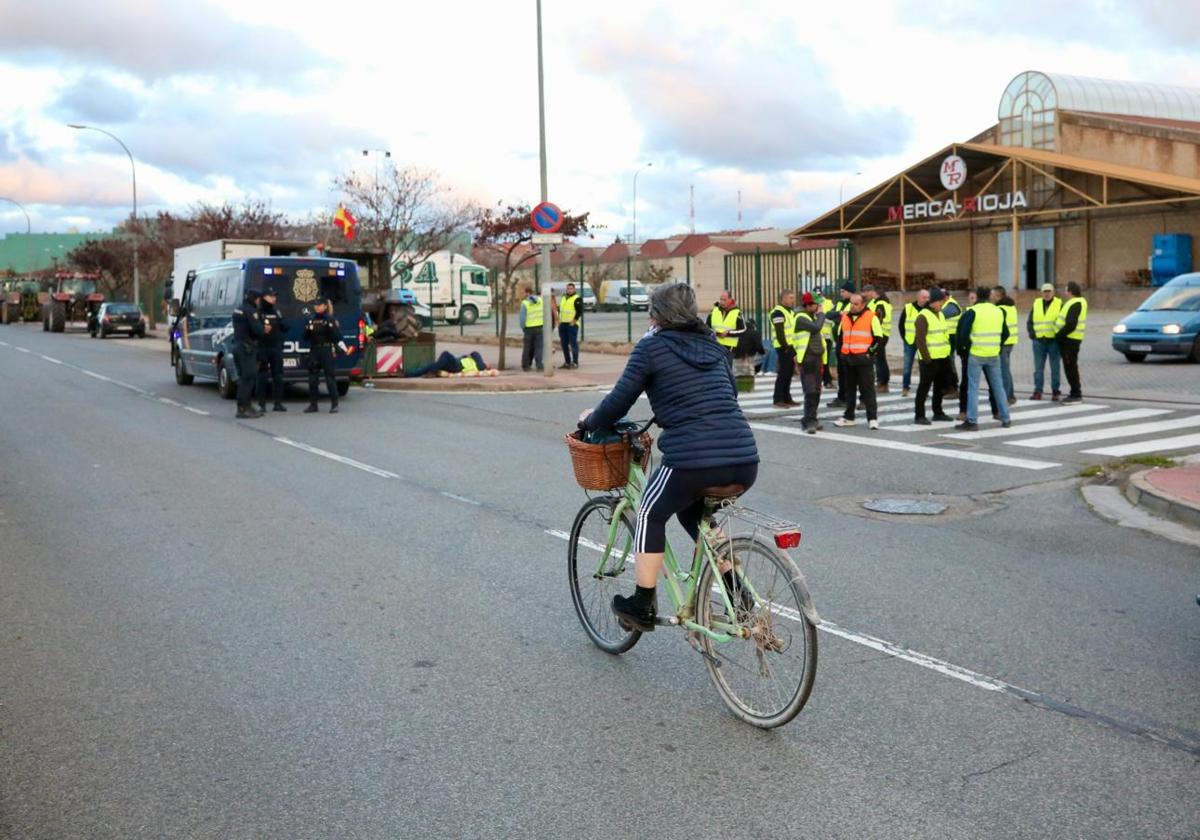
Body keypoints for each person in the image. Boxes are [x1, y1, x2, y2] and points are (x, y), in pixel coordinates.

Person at [577, 283, 758, 632]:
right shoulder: (714, 346)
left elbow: (618, 401)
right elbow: (728, 394)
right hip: (744, 459)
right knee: (696, 518)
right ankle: (738, 593)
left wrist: (590, 421)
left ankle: (642, 604)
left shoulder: (651, 348)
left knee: (649, 511)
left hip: (692, 461)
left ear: (656, 315)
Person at [956, 286, 1011, 431]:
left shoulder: (972, 311)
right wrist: (997, 346)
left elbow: (962, 334)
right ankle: (1006, 418)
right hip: (993, 354)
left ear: (977, 296)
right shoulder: (998, 311)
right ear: (989, 296)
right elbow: (1006, 333)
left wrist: (966, 348)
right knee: (998, 386)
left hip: (977, 354)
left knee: (973, 387)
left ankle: (972, 421)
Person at [833, 293, 882, 429]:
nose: (853, 306)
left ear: (863, 304)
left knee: (868, 390)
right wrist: (842, 354)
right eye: (851, 303)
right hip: (848, 359)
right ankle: (849, 416)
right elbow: (840, 336)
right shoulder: (845, 317)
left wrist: (870, 353)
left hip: (864, 360)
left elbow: (878, 338)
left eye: (856, 304)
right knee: (849, 390)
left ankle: (872, 418)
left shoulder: (871, 317)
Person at [913, 289, 954, 424]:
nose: (943, 303)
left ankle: (938, 412)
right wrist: (927, 359)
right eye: (941, 301)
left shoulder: (940, 314)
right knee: (924, 387)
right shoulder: (923, 316)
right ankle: (919, 415)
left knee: (939, 387)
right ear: (933, 302)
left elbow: (943, 335)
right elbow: (920, 340)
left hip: (942, 357)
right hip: (929, 360)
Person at [303, 299, 352, 414]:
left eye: (319, 305)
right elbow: (305, 337)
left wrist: (342, 348)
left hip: (326, 350)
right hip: (315, 350)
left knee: (330, 378)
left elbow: (337, 336)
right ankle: (313, 405)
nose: (317, 307)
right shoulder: (311, 319)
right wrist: (308, 330)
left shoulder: (329, 319)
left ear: (325, 306)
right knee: (312, 379)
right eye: (315, 305)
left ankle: (334, 404)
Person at [793, 292, 826, 433]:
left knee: (817, 391)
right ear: (807, 305)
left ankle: (813, 418)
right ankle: (808, 421)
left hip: (817, 358)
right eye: (815, 304)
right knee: (810, 390)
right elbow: (816, 328)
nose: (818, 307)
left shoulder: (811, 317)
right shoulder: (801, 317)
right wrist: (821, 315)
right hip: (807, 359)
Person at [231, 288, 265, 419]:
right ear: (255, 299)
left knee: (243, 377)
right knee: (249, 377)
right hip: (247, 348)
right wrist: (263, 328)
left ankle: (247, 405)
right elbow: (258, 330)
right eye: (258, 299)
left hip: (237, 345)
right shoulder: (250, 311)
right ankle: (243, 408)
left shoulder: (238, 309)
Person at [1027, 282, 1063, 400]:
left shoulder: (1059, 304)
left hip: (1053, 341)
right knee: (1038, 369)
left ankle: (1055, 392)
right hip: (1039, 341)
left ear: (1053, 292)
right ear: (1041, 293)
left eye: (1049, 291)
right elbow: (1030, 321)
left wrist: (1059, 337)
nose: (1047, 294)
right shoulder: (1036, 303)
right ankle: (1038, 391)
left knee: (1055, 368)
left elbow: (1063, 322)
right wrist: (1032, 334)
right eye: (1045, 291)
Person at [256, 289, 289, 413]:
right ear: (264, 297)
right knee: (262, 376)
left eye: (275, 296)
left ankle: (278, 403)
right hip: (262, 347)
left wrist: (281, 321)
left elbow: (286, 327)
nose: (274, 298)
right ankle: (261, 404)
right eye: (272, 296)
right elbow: (254, 329)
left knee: (278, 375)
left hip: (276, 346)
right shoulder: (258, 312)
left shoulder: (276, 312)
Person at [1055, 281, 1088, 404]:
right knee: (1070, 366)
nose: (1064, 292)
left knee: (1070, 367)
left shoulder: (1076, 303)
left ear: (1070, 291)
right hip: (1070, 339)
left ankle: (1076, 394)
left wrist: (1059, 335)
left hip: (1069, 340)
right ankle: (1075, 392)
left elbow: (1071, 324)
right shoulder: (1076, 302)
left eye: (1066, 289)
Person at [768, 289, 798, 408]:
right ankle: (778, 399)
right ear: (783, 298)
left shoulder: (790, 312)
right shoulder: (778, 313)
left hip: (791, 346)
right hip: (783, 347)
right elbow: (780, 332)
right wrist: (786, 347)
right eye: (790, 297)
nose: (793, 300)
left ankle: (787, 397)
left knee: (789, 373)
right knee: (783, 373)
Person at [827, 282, 855, 408]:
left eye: (843, 291)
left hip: (850, 342)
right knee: (841, 371)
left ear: (850, 292)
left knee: (850, 371)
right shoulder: (839, 303)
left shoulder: (854, 303)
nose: (841, 293)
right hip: (839, 341)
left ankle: (851, 398)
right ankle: (841, 397)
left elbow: (849, 318)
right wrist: (839, 314)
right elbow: (829, 314)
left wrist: (839, 316)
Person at [897, 288, 929, 397]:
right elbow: (901, 325)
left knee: (924, 367)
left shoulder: (929, 309)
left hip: (924, 343)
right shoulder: (908, 308)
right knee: (907, 366)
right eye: (924, 297)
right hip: (910, 342)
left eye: (928, 297)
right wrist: (905, 338)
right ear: (918, 297)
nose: (926, 299)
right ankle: (905, 387)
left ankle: (924, 390)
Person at [991, 285, 1019, 405]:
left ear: (998, 295)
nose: (991, 297)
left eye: (992, 294)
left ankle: (1006, 397)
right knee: (1006, 369)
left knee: (1003, 371)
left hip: (1003, 343)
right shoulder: (1011, 306)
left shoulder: (1000, 308)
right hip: (1010, 341)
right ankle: (1011, 395)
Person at [864, 285, 893, 392]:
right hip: (877, 334)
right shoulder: (874, 302)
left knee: (880, 359)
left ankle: (883, 383)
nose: (865, 295)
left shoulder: (881, 304)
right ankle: (881, 382)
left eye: (866, 292)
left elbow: (878, 320)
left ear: (873, 292)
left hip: (880, 334)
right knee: (878, 359)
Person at [707, 290, 745, 358]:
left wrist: (728, 333)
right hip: (714, 346)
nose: (722, 302)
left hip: (729, 349)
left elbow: (743, 329)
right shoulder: (714, 311)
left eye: (724, 300)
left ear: (730, 300)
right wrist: (714, 332)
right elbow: (706, 326)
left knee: (727, 367)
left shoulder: (737, 313)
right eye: (721, 299)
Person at [554, 283, 582, 369]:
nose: (569, 290)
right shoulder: (563, 298)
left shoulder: (577, 298)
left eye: (571, 289)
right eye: (568, 289)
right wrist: (558, 319)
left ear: (574, 289)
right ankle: (567, 362)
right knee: (564, 344)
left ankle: (575, 362)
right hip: (563, 324)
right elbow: (560, 309)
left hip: (572, 324)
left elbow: (579, 311)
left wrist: (574, 321)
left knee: (573, 344)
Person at [406, 350, 488, 378]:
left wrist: (485, 364)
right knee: (431, 365)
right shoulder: (476, 362)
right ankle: (408, 374)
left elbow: (475, 353)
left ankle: (433, 372)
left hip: (457, 366)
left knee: (445, 354)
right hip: (455, 364)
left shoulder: (481, 365)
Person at [519, 286, 545, 371]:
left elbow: (522, 319)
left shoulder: (525, 303)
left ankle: (525, 366)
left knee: (527, 347)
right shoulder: (541, 300)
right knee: (539, 348)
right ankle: (539, 365)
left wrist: (523, 328)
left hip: (529, 328)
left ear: (527, 293)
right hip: (540, 327)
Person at [816, 291, 835, 387]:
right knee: (818, 360)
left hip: (827, 336)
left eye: (819, 295)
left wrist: (825, 319)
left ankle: (827, 380)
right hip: (817, 337)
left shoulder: (829, 303)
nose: (819, 297)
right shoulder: (812, 304)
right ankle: (824, 379)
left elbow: (833, 317)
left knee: (825, 359)